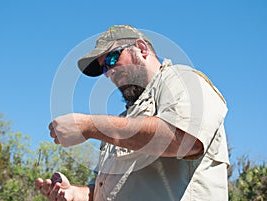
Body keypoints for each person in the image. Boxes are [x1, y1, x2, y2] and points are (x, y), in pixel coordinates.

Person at [35, 25, 230, 201]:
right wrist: (75, 194)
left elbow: (183, 140)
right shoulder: (123, 120)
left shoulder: (182, 79)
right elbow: (113, 190)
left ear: (142, 49)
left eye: (112, 59)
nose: (109, 72)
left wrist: (90, 126)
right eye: (103, 68)